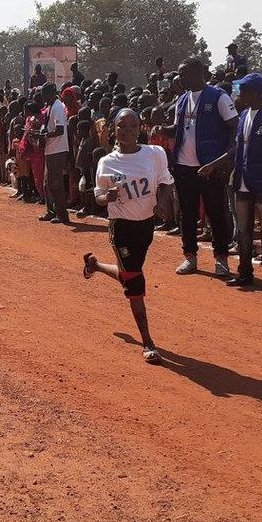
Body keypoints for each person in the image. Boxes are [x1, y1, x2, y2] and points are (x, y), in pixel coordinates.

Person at [82, 108, 172, 364]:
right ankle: (147, 342)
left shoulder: (155, 153)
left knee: (129, 274)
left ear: (140, 128)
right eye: (122, 126)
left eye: (132, 125)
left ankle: (95, 265)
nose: (127, 130)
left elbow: (165, 182)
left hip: (146, 226)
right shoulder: (106, 162)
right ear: (114, 130)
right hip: (121, 227)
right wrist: (106, 197)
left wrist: (163, 203)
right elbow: (98, 196)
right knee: (135, 281)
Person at [162, 58, 238, 276]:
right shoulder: (182, 99)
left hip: (209, 167)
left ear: (197, 73)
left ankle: (221, 259)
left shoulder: (218, 97)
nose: (179, 79)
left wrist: (224, 160)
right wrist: (162, 128)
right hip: (184, 166)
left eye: (182, 74)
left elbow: (235, 128)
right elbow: (178, 128)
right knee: (187, 214)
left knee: (216, 213)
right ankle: (190, 257)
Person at [217, 73, 262, 289]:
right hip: (243, 180)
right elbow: (238, 148)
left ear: (256, 92)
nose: (240, 94)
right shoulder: (244, 115)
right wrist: (219, 164)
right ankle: (245, 273)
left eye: (244, 91)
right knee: (243, 230)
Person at [39, 82, 71, 224]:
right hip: (51, 149)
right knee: (48, 183)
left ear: (51, 93)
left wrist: (45, 135)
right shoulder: (50, 106)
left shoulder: (57, 107)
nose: (43, 97)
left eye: (44, 94)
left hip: (57, 149)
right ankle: (51, 211)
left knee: (55, 183)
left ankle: (62, 214)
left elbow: (60, 130)